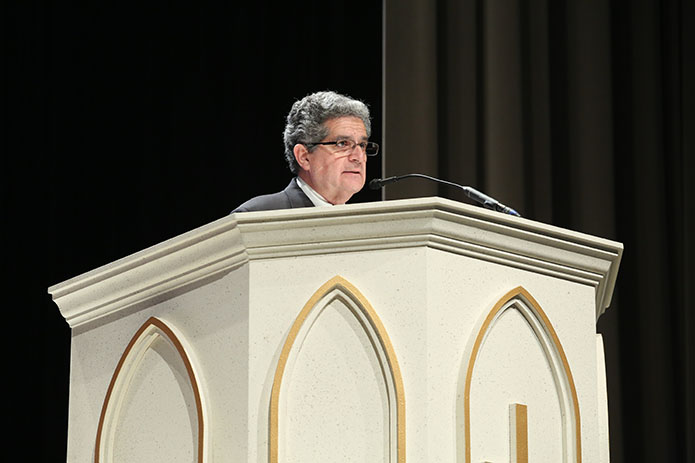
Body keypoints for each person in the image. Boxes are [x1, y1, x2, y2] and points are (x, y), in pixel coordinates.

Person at [232, 90, 379, 212]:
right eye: (342, 144)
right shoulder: (256, 216)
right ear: (304, 157)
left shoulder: (367, 226)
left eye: (362, 145)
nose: (358, 157)